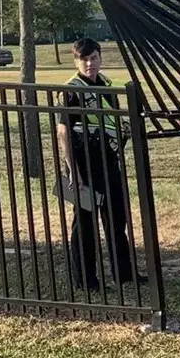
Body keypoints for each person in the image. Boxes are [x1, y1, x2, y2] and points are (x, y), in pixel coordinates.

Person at [56, 38, 146, 291]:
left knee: (116, 219)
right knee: (84, 224)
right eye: (83, 59)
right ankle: (86, 280)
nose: (89, 63)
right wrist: (74, 171)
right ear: (76, 61)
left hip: (109, 161)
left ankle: (124, 274)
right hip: (83, 164)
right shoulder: (71, 90)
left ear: (100, 58)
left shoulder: (107, 85)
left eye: (93, 58)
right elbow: (62, 131)